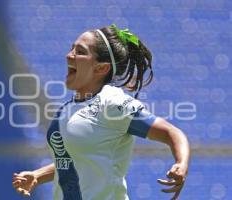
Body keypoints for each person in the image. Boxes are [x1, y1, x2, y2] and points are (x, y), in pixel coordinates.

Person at [12, 24, 190, 200]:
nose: (69, 56)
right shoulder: (68, 108)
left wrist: (181, 164)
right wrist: (37, 176)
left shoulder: (112, 102)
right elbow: (76, 160)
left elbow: (171, 132)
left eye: (80, 52)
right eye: (71, 49)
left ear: (101, 68)